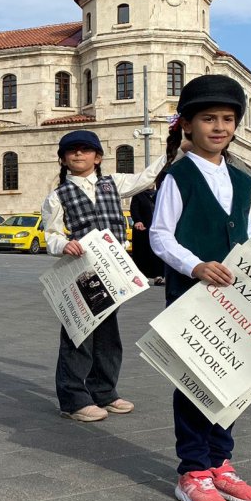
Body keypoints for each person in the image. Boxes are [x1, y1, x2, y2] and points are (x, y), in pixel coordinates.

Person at [150, 74, 251, 501]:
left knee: (232, 378)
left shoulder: (242, 179)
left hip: (232, 297)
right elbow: (160, 237)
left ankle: (221, 462)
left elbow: (247, 234)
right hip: (192, 295)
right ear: (187, 126)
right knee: (196, 381)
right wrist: (195, 265)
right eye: (209, 118)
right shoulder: (179, 176)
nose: (219, 127)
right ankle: (193, 469)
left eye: (228, 119)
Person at [42, 130, 169, 422]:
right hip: (81, 271)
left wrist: (173, 150)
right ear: (62, 159)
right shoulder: (57, 196)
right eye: (71, 151)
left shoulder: (115, 183)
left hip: (113, 271)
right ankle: (73, 399)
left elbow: (148, 176)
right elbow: (50, 234)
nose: (78, 155)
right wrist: (63, 244)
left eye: (85, 150)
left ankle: (104, 391)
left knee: (108, 334)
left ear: (97, 157)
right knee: (79, 333)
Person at [129, 185, 165, 285]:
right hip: (143, 230)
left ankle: (159, 276)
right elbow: (134, 209)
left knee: (158, 253)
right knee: (143, 254)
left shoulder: (160, 193)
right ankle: (141, 277)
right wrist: (137, 221)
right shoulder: (138, 195)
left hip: (157, 230)